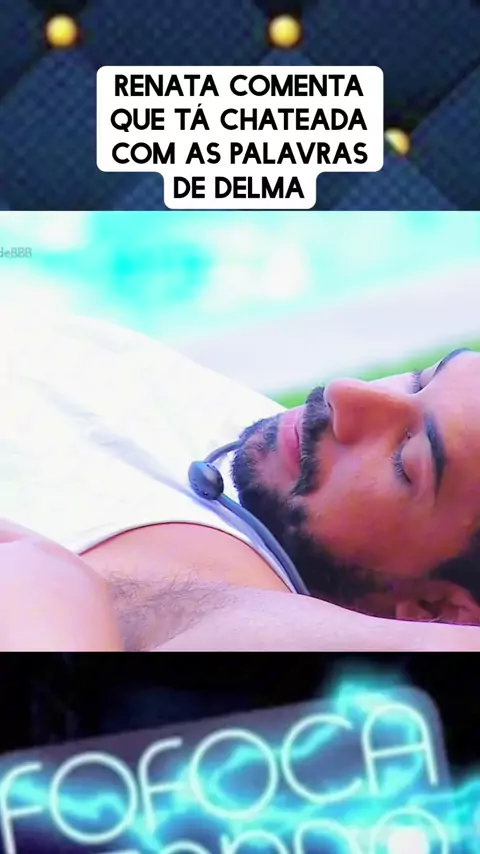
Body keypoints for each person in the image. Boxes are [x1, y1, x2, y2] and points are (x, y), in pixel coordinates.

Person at [0, 311, 479, 651]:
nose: (346, 394)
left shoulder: (235, 622)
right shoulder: (161, 390)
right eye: (418, 380)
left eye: (405, 460)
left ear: (431, 609)